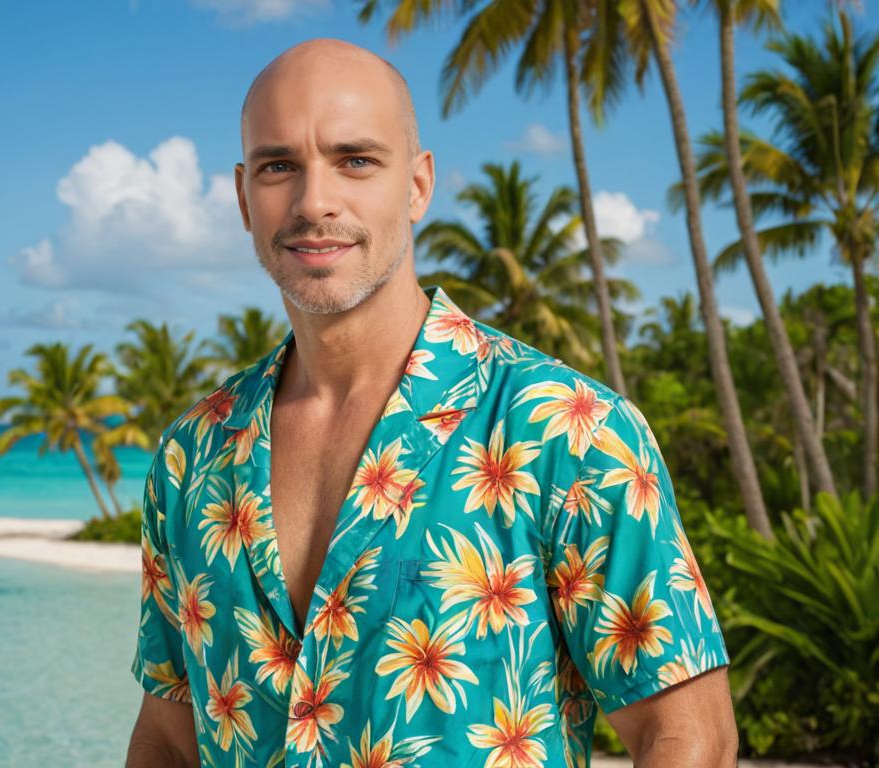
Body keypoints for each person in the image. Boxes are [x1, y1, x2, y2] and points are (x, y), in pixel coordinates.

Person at [125, 37, 738, 768]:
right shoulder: (191, 454)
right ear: (242, 196)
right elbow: (168, 737)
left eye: (356, 160)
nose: (314, 201)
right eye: (279, 165)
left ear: (417, 186)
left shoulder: (567, 430)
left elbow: (690, 736)